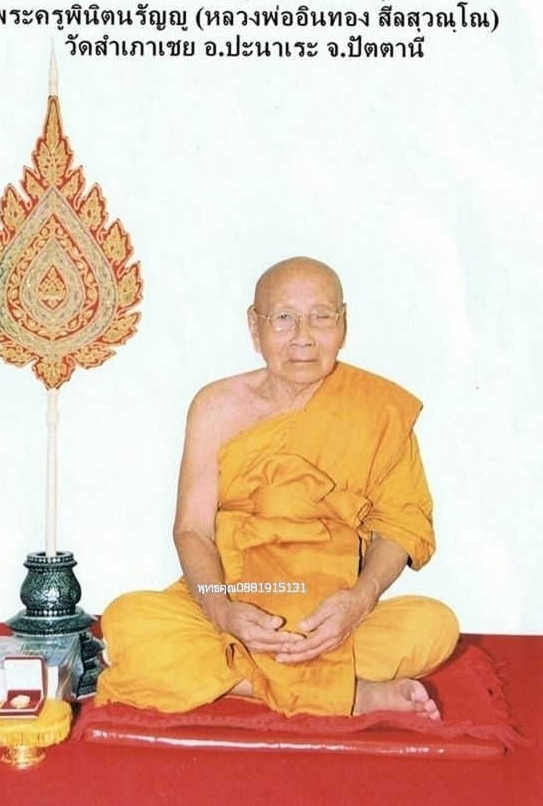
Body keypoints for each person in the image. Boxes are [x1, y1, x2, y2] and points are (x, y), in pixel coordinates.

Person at [96, 257, 459, 719]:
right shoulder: (216, 406)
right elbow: (192, 529)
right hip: (235, 598)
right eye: (284, 317)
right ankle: (349, 695)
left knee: (433, 625)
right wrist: (220, 610)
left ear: (343, 324)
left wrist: (359, 599)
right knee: (128, 620)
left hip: (329, 616)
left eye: (321, 317)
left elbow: (401, 525)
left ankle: (243, 680)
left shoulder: (380, 409)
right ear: (255, 326)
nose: (303, 336)